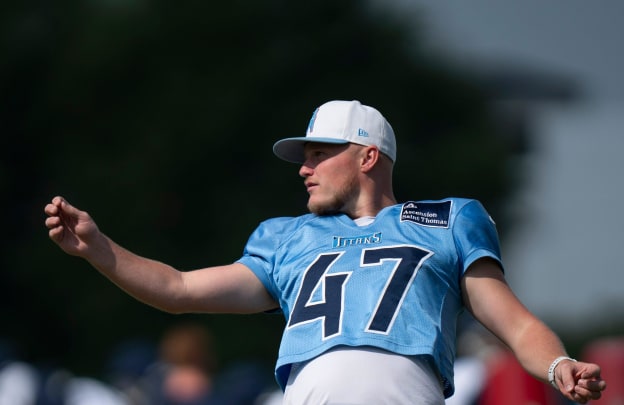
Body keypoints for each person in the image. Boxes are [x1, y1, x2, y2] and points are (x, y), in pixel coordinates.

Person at [44, 100, 606, 404]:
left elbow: (517, 324)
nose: (305, 169)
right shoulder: (287, 237)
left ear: (366, 157)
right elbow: (179, 290)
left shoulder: (447, 219)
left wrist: (559, 365)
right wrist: (100, 249)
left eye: (318, 153)